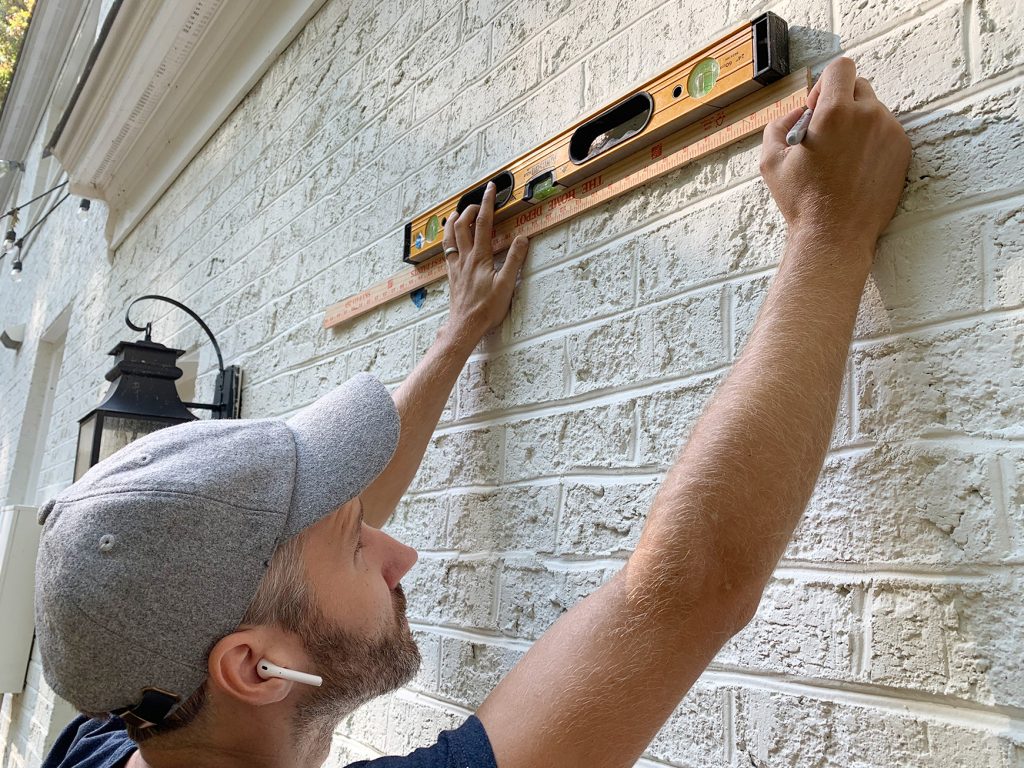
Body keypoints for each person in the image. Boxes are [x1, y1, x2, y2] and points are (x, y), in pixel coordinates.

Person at [36, 55, 910, 768]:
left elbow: (300, 559)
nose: (399, 547)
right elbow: (690, 589)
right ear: (254, 669)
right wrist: (830, 226)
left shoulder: (111, 732)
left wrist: (457, 337)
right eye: (355, 543)